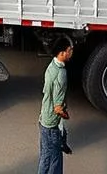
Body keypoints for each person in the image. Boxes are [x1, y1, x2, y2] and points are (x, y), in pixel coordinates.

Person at [38, 38, 73, 174]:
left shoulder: (51, 66)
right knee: (54, 159)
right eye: (70, 50)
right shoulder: (61, 74)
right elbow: (58, 108)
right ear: (62, 53)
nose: (71, 53)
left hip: (43, 118)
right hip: (52, 124)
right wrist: (66, 115)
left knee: (45, 155)